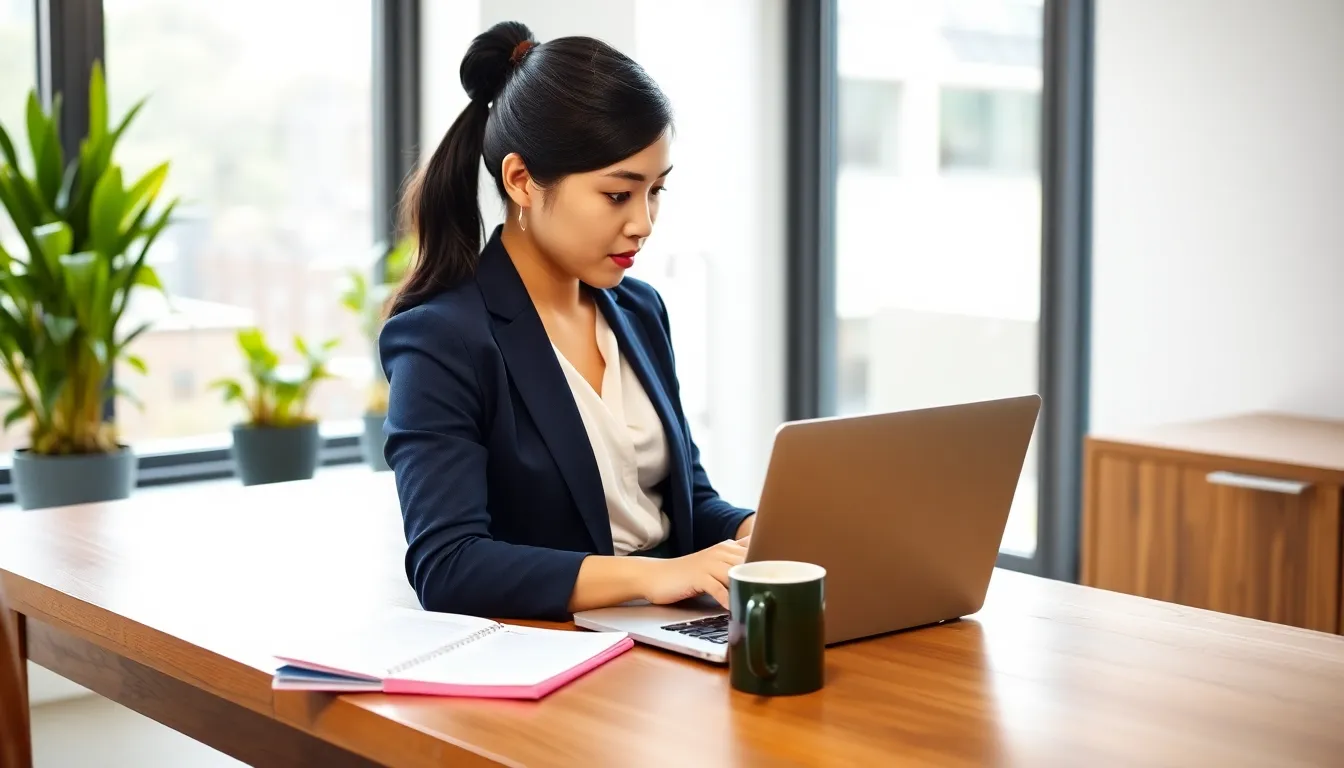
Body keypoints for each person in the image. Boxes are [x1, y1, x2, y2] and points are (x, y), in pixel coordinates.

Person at [379, 21, 756, 622]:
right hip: (560, 650)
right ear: (521, 181)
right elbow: (448, 565)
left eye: (655, 191)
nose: (644, 223)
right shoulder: (441, 339)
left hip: (677, 630)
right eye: (617, 195)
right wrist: (656, 575)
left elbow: (684, 504)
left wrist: (755, 529)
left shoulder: (640, 310)